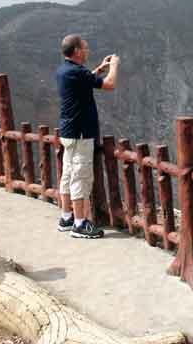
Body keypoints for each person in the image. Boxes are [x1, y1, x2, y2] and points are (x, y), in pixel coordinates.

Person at [55, 34, 120, 238]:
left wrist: (99, 69)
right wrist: (114, 67)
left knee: (67, 175)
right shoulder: (77, 72)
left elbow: (85, 80)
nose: (88, 51)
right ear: (76, 51)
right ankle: (80, 224)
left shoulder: (65, 71)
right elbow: (109, 85)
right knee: (80, 177)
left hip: (68, 131)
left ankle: (66, 218)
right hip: (81, 133)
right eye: (85, 48)